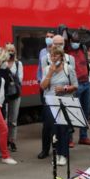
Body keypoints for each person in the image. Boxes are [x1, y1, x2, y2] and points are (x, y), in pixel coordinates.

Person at [40, 45, 78, 166]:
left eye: (56, 55)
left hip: (65, 102)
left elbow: (75, 86)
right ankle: (57, 154)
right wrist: (50, 73)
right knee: (53, 130)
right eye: (51, 55)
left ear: (61, 57)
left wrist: (65, 88)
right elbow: (43, 86)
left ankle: (64, 155)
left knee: (63, 130)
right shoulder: (47, 69)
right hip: (50, 103)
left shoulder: (68, 68)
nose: (53, 57)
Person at [38, 35, 72, 159]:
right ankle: (45, 149)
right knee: (47, 126)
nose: (58, 46)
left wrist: (65, 89)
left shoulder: (70, 59)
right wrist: (50, 73)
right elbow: (42, 77)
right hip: (49, 96)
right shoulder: (45, 59)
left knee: (61, 127)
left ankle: (61, 151)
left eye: (60, 43)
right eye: (56, 43)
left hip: (64, 98)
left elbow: (72, 80)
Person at [65, 27, 90, 146]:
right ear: (70, 41)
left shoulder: (83, 47)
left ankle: (83, 137)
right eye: (74, 40)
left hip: (86, 84)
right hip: (75, 85)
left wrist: (87, 30)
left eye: (78, 41)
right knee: (72, 111)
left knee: (85, 111)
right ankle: (69, 138)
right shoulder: (66, 49)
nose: (76, 43)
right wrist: (68, 31)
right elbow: (61, 31)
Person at [36, 31, 55, 159]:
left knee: (58, 123)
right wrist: (40, 81)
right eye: (47, 37)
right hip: (45, 88)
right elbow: (39, 68)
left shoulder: (62, 55)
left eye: (51, 37)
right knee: (47, 122)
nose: (48, 39)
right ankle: (45, 149)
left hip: (57, 90)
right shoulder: (42, 53)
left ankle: (58, 148)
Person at [4, 43, 23, 152]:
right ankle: (5, 140)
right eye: (8, 50)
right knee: (5, 119)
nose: (10, 52)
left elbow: (20, 78)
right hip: (5, 94)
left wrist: (9, 70)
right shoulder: (2, 63)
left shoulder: (18, 63)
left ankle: (12, 140)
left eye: (12, 50)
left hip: (15, 94)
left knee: (13, 120)